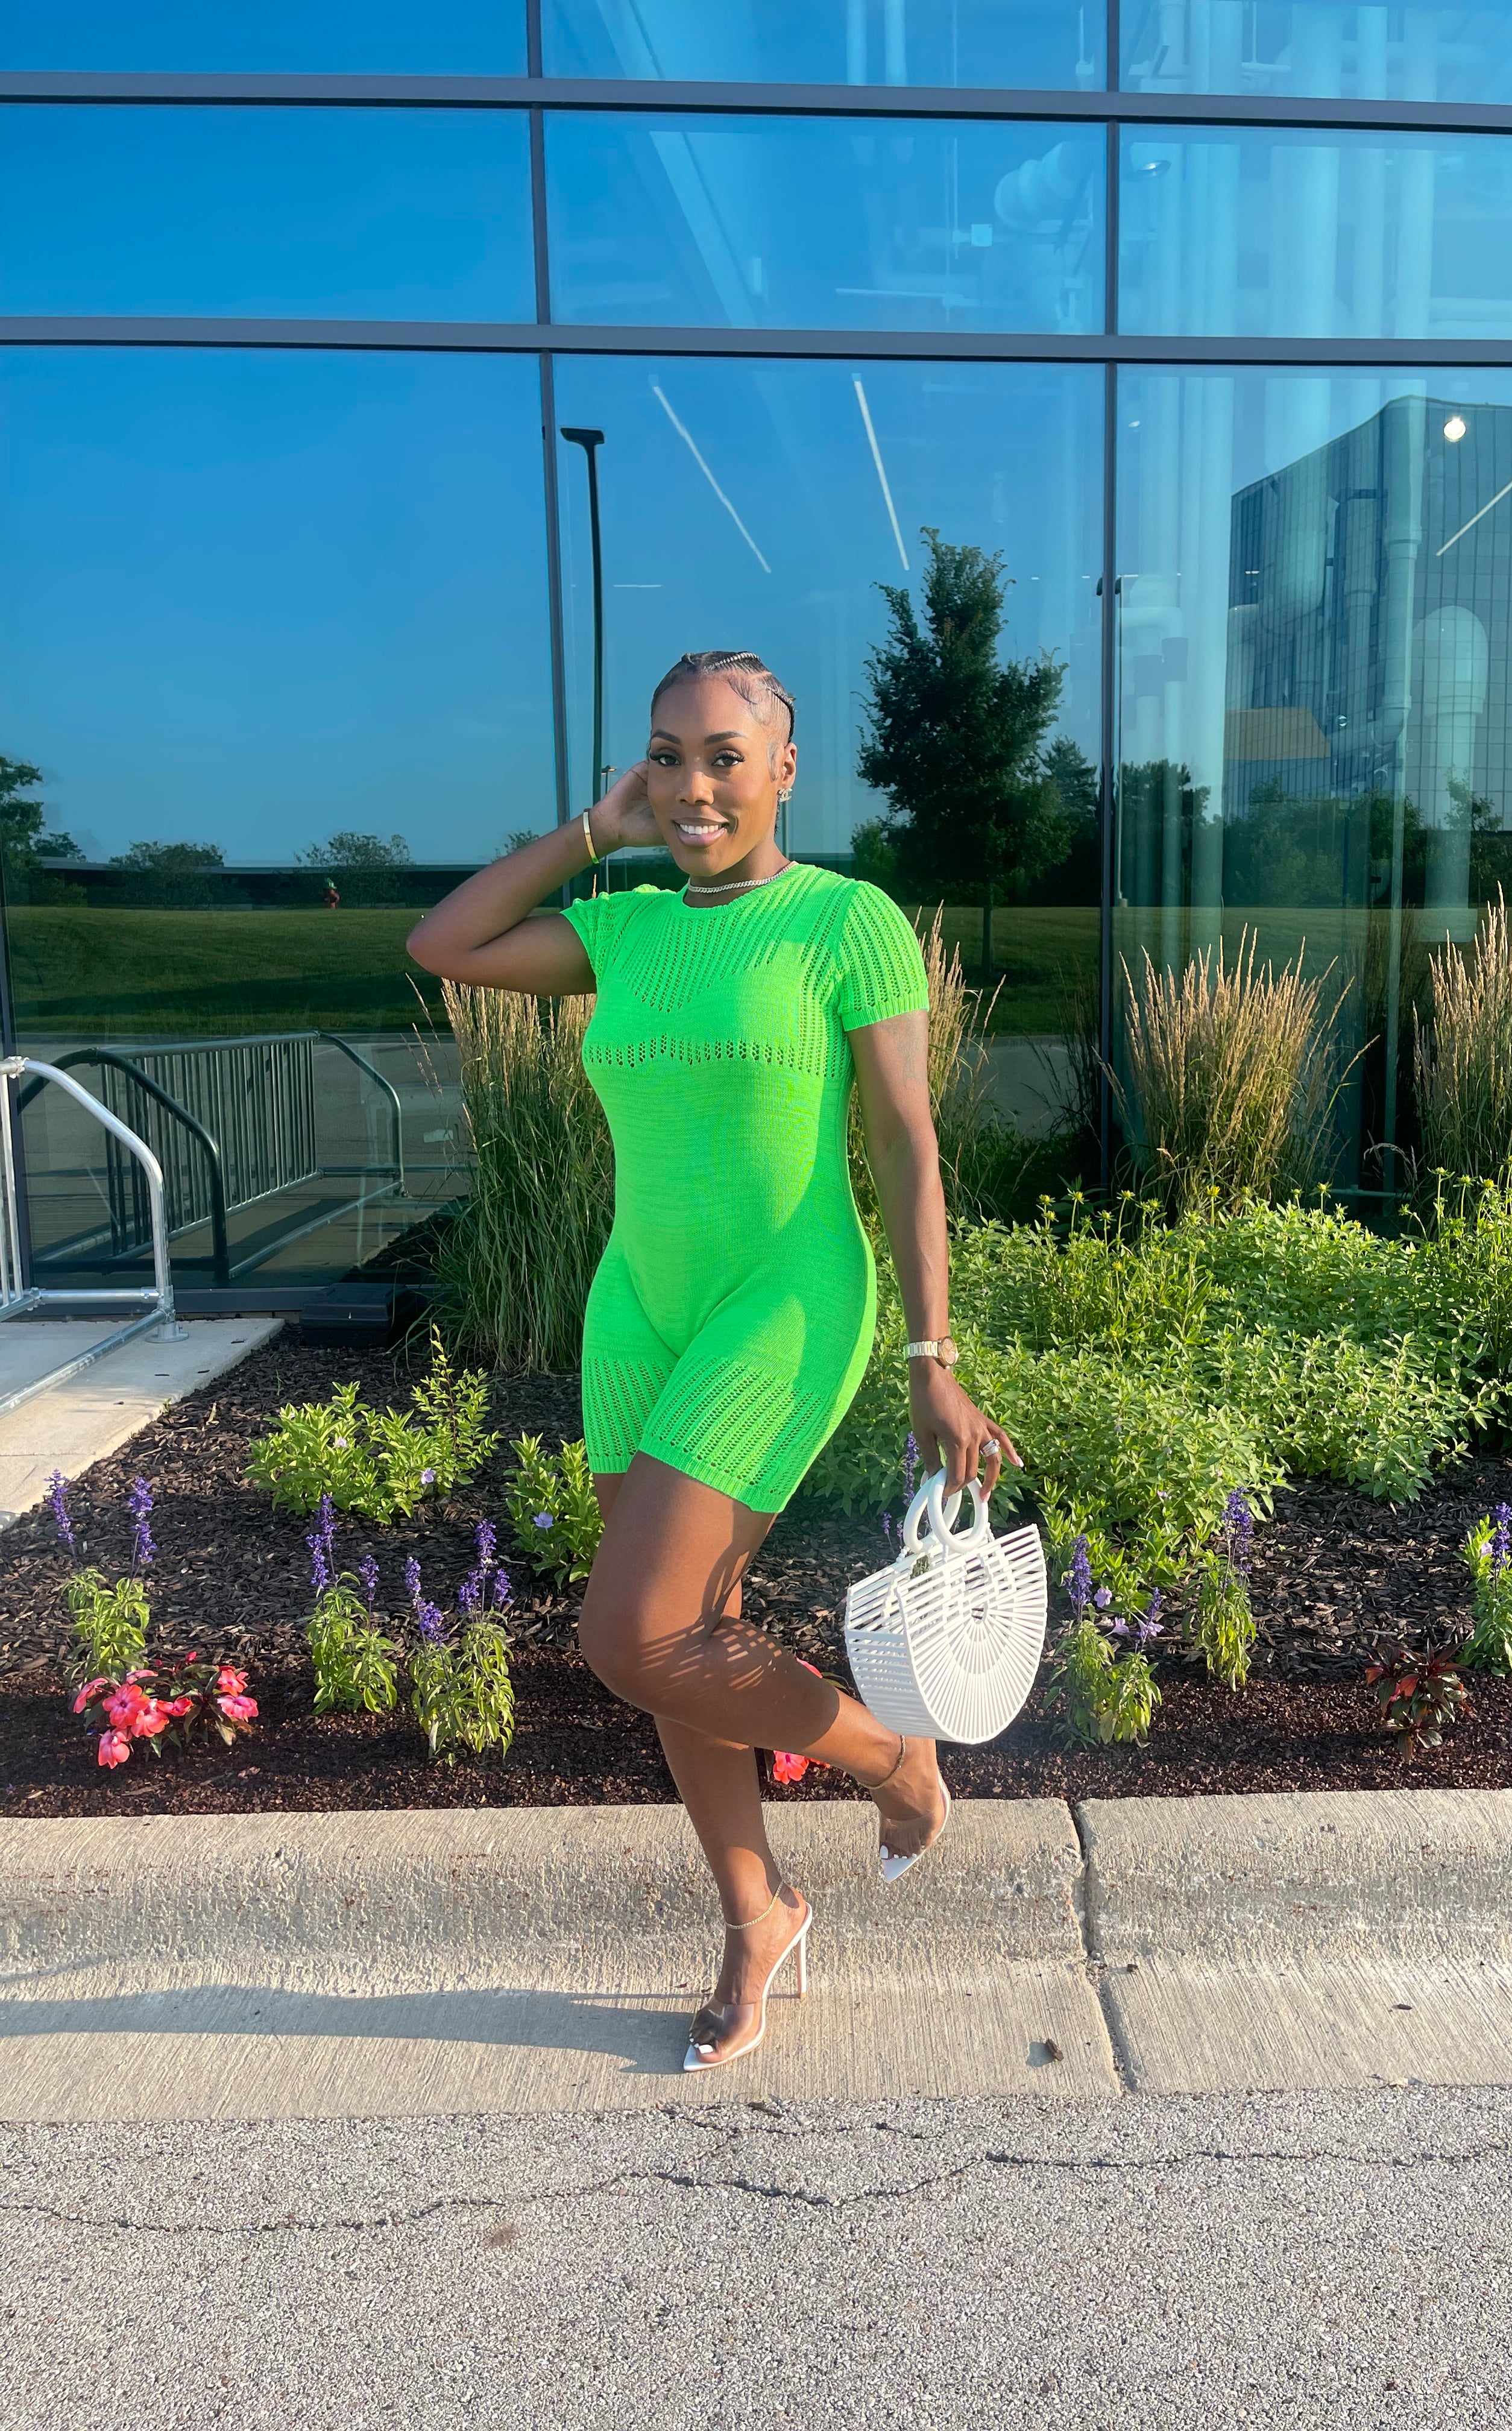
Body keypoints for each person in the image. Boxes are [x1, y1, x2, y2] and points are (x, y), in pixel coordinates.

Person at [407, 648, 1020, 2072]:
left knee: (634, 1634)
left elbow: (907, 1144)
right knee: (689, 1640)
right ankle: (758, 1915)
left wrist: (932, 1352)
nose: (693, 784)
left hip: (783, 1303)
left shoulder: (846, 921)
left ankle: (894, 1758)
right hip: (638, 1307)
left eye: (725, 757)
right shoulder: (621, 930)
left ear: (784, 771)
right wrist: (594, 831)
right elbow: (446, 943)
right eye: (668, 755)